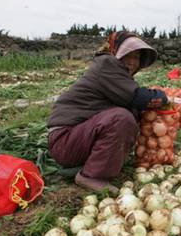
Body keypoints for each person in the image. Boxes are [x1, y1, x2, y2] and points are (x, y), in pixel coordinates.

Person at [47, 31, 167, 193]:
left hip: (77, 139)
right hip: (65, 141)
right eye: (128, 55)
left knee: (127, 115)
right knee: (121, 118)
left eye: (136, 58)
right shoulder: (107, 64)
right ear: (115, 52)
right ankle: (91, 176)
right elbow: (138, 98)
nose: (132, 62)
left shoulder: (118, 75)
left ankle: (91, 164)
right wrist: (162, 97)